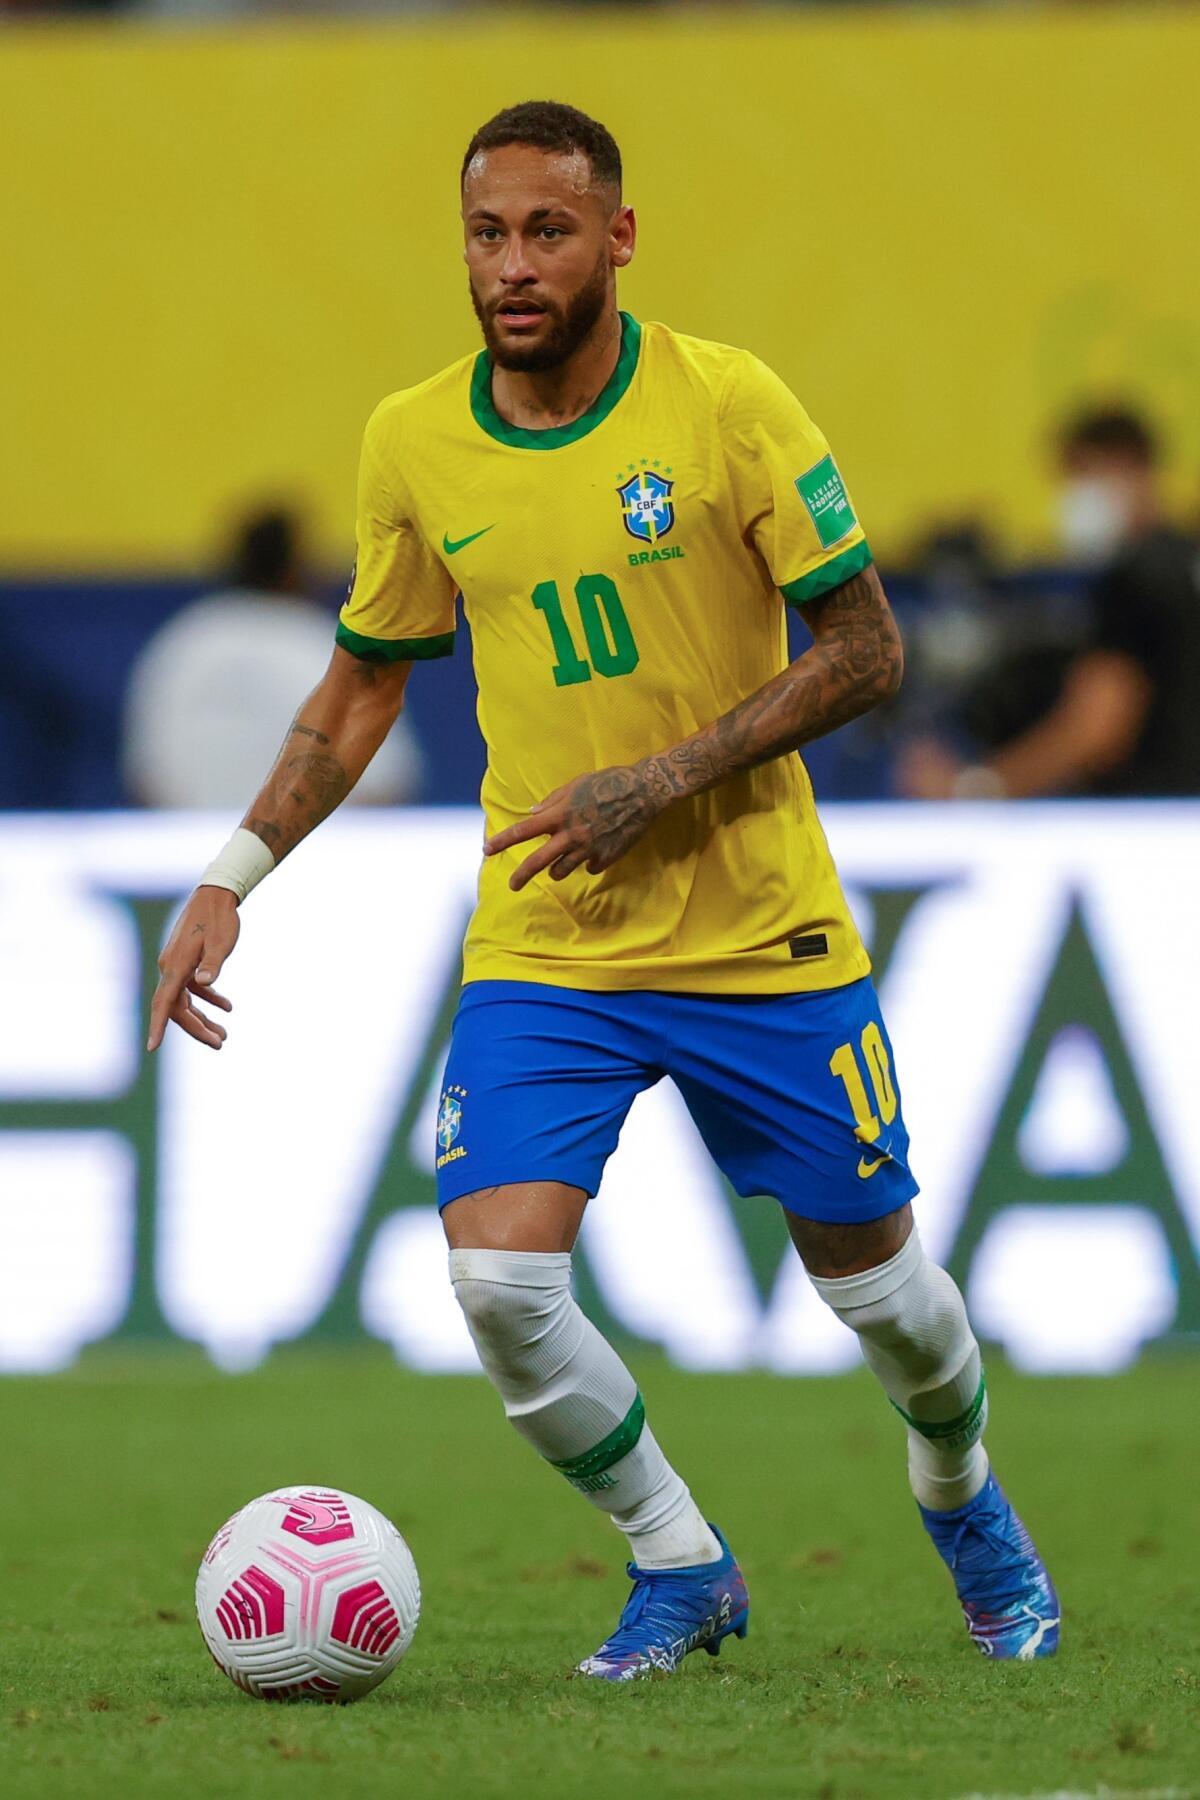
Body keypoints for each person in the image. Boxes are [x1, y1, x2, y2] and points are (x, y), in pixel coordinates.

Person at [148, 101, 1059, 1679]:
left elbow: (868, 650)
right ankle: (680, 1560)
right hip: (550, 937)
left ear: (618, 240)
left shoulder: (727, 405)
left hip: (758, 927)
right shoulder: (413, 440)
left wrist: (662, 779)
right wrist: (234, 874)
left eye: (548, 232)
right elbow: (363, 686)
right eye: (487, 234)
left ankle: (960, 1488)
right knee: (500, 1279)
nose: (513, 265)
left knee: (888, 1301)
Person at [901, 407, 1200, 799]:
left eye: (1083, 473)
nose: (1075, 495)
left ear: (1129, 465)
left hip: (1150, 819)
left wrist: (975, 789)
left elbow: (1098, 727)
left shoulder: (1137, 576)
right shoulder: (1184, 563)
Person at [122, 506, 422, 809]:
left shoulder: (185, 642)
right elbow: (383, 782)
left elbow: (145, 778)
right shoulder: (318, 642)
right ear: (293, 570)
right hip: (316, 838)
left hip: (192, 837)